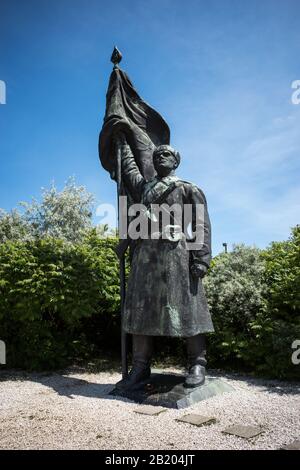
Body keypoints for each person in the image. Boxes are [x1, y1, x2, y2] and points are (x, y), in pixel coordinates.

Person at [115, 134, 214, 390]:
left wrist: (201, 258)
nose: (160, 157)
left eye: (166, 154)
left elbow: (201, 224)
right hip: (146, 256)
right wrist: (123, 141)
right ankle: (140, 366)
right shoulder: (145, 188)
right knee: (140, 309)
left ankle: (197, 363)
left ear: (176, 162)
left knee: (187, 308)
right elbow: (129, 169)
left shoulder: (188, 188)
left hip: (176, 254)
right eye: (157, 155)